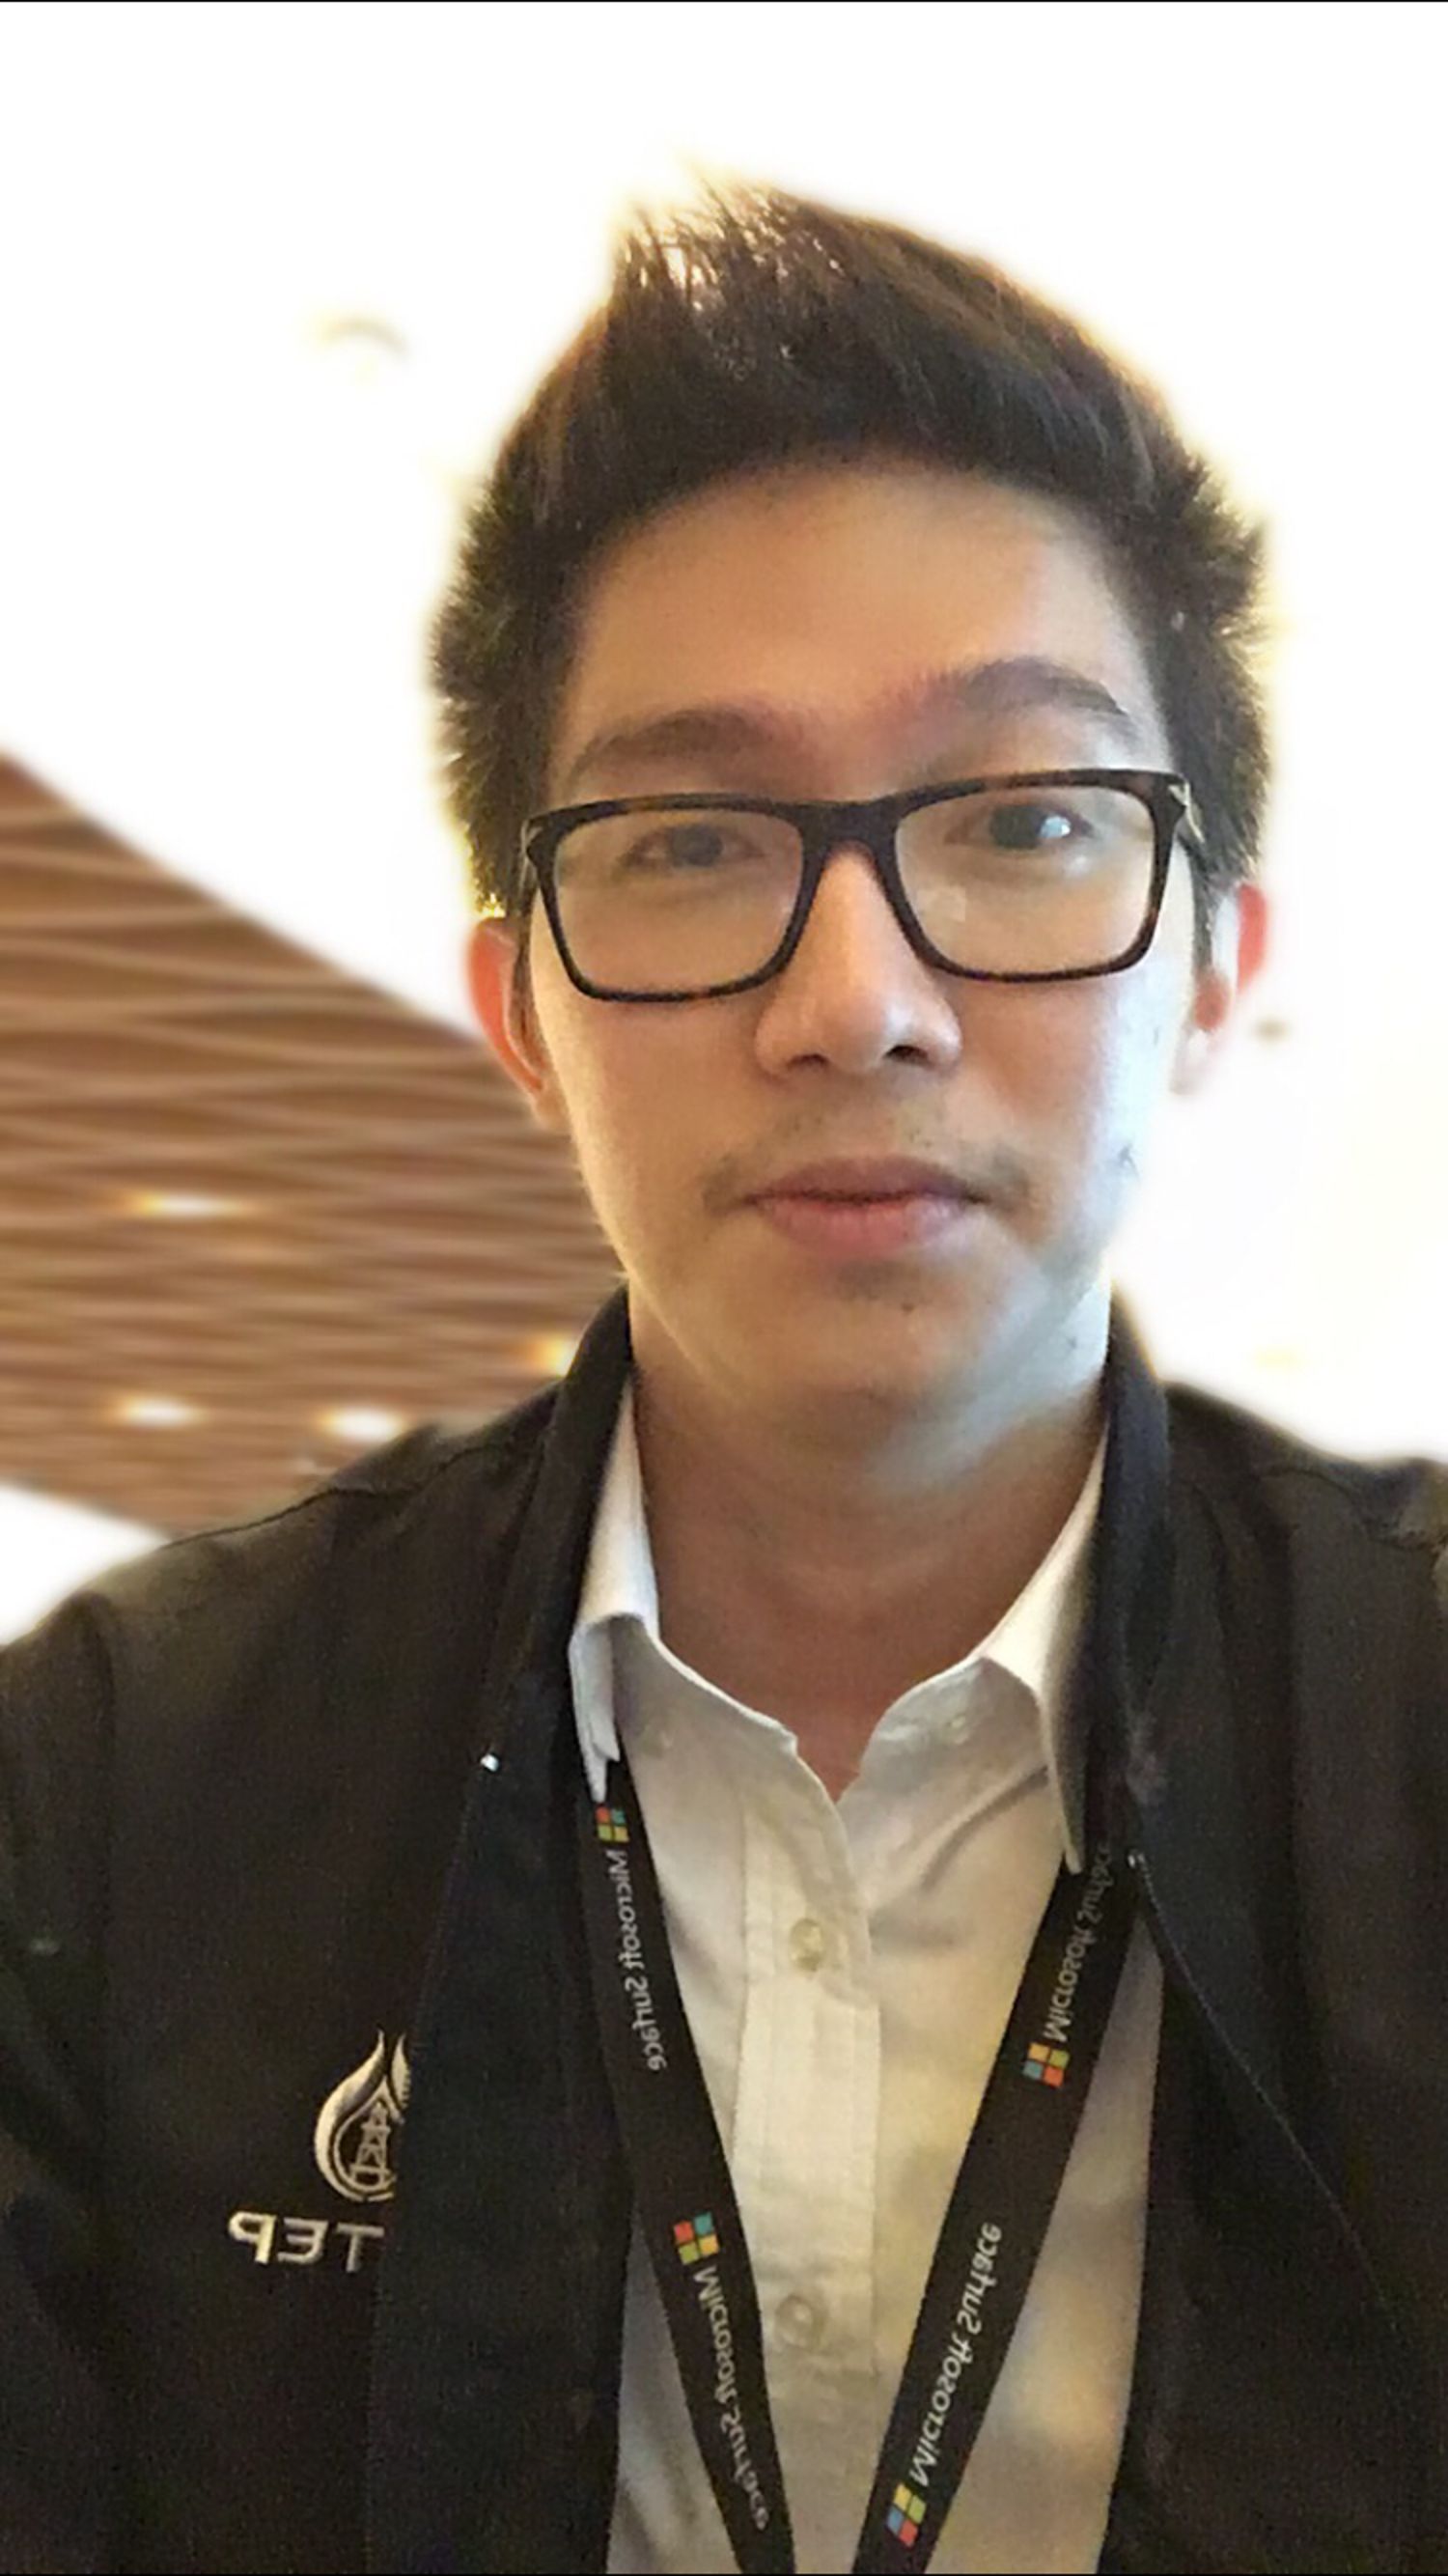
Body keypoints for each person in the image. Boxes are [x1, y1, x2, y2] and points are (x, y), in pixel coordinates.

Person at [1, 180, 1444, 2576]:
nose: (855, 1000)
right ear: (522, 1016)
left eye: (1024, 819)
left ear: (1209, 965)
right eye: (688, 842)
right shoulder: (119, 1785)